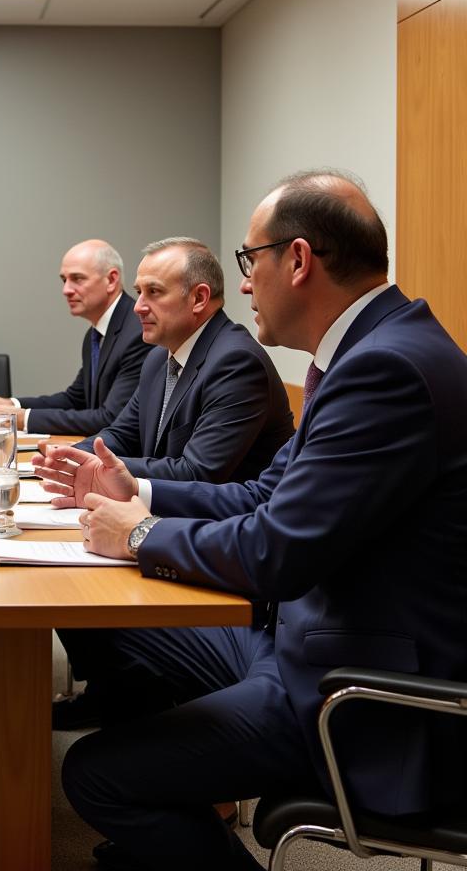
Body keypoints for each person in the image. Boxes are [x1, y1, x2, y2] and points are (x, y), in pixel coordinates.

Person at [58, 170, 467, 871]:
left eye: (250, 262)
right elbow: (261, 494)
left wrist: (137, 535)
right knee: (118, 625)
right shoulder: (370, 352)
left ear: (299, 260)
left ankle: (166, 815)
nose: (242, 285)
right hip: (304, 638)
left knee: (95, 774)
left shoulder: (385, 371)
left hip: (356, 690)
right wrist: (141, 494)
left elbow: (276, 551)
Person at [36, 237, 294, 728]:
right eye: (138, 291)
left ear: (199, 299)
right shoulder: (161, 355)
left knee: (75, 582)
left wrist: (123, 482)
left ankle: (139, 695)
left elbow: (200, 472)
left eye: (154, 292)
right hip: (169, 524)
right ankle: (116, 690)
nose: (139, 307)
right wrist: (72, 457)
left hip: (223, 552)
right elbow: (121, 432)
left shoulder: (234, 360)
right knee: (65, 569)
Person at [0, 239, 150, 434]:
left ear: (111, 280)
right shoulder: (95, 334)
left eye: (77, 279)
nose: (66, 290)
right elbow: (75, 399)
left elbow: (110, 419)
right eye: (64, 280)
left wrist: (19, 418)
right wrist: (11, 404)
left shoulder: (138, 333)